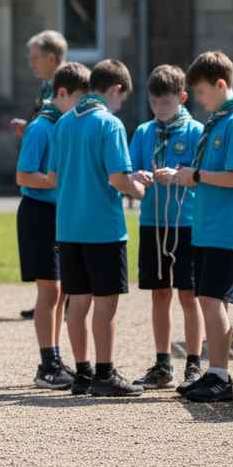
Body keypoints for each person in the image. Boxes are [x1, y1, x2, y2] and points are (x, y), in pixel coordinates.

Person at [48, 59, 148, 398]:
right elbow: (117, 178)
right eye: (122, 97)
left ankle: (82, 373)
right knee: (106, 304)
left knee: (77, 302)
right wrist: (138, 188)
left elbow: (56, 175)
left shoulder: (62, 123)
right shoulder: (110, 123)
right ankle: (105, 373)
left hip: (68, 225)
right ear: (116, 89)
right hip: (103, 228)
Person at [168, 50, 233, 404]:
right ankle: (214, 372)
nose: (200, 101)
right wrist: (189, 177)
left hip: (227, 228)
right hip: (210, 226)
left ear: (221, 84)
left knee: (211, 300)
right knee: (208, 299)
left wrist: (196, 175)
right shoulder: (220, 120)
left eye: (203, 93)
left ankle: (220, 377)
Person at [128, 65, 204, 391]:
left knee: (189, 295)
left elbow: (204, 180)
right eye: (155, 102)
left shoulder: (196, 131)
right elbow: (128, 174)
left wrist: (178, 175)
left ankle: (194, 364)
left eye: (167, 103)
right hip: (153, 223)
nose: (160, 109)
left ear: (182, 98)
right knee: (160, 294)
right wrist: (138, 178)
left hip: (186, 224)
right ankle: (162, 363)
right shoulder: (144, 132)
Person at [15, 61, 89, 390]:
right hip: (38, 214)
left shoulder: (65, 125)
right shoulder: (41, 128)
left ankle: (56, 358)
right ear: (62, 93)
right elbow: (23, 175)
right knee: (50, 291)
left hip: (59, 214)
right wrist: (59, 180)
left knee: (61, 291)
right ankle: (47, 363)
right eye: (80, 99)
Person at [11, 30, 68, 319]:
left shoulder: (66, 86)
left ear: (51, 57)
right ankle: (48, 301)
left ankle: (61, 301)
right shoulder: (45, 87)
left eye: (35, 58)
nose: (31, 64)